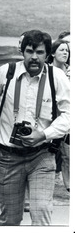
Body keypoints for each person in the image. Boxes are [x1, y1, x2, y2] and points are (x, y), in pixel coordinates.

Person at [0, 30, 70, 225]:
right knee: (10, 219)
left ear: (47, 54)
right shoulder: (6, 73)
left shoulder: (56, 77)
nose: (34, 57)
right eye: (29, 51)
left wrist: (43, 134)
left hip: (42, 156)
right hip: (8, 158)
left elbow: (69, 114)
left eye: (40, 52)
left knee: (41, 213)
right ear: (22, 51)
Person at [46, 39, 70, 192]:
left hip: (67, 119)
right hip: (49, 118)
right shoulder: (47, 71)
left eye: (67, 50)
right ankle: (46, 185)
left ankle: (69, 187)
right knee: (48, 154)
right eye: (61, 50)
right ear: (53, 53)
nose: (65, 53)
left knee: (68, 155)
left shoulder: (71, 71)